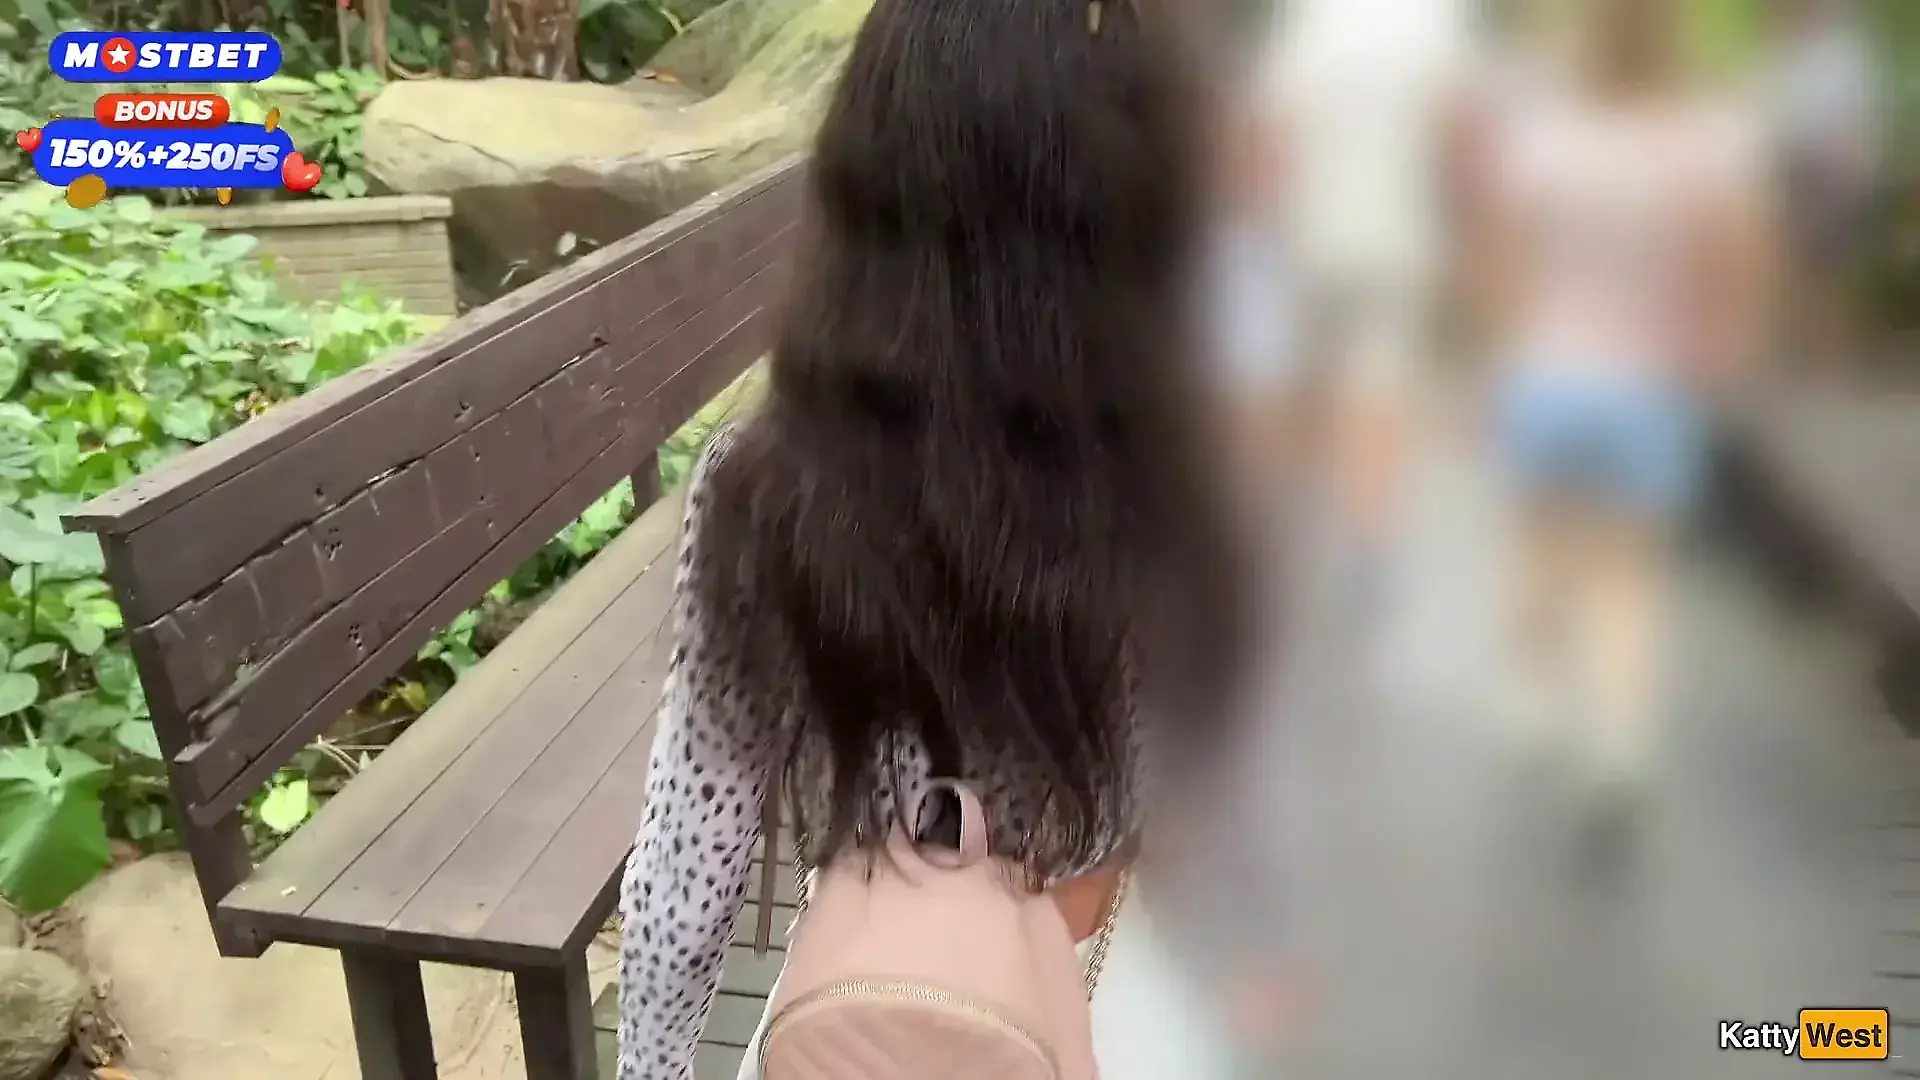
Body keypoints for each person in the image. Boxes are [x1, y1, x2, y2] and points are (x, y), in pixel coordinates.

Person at [613, 0, 1255, 1075]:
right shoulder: (1191, 484)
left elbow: (691, 861)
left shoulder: (771, 485)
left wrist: (656, 1067)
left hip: (870, 1002)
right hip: (1105, 990)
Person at [1475, 0, 1771, 824]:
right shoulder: (1705, 139)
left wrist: (1500, 347)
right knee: (1628, 579)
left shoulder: (1547, 131)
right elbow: (1734, 262)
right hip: (1649, 385)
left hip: (1548, 374)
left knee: (1539, 551)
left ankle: (1534, 699)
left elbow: (1502, 255)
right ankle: (1619, 745)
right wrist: (1716, 352)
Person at [1264, 0, 1479, 610]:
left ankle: (1295, 525)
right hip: (1399, 239)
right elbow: (1455, 137)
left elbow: (1276, 132)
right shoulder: (1435, 22)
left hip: (1311, 233)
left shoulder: (1310, 20)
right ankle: (1366, 536)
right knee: (1379, 394)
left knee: (1311, 386)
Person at [1769, 0, 1879, 379]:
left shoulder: (1841, 55)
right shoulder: (1784, 55)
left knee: (1825, 271)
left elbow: (1852, 126)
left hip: (1831, 176)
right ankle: (1805, 354)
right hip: (1792, 173)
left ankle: (1834, 361)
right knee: (1794, 270)